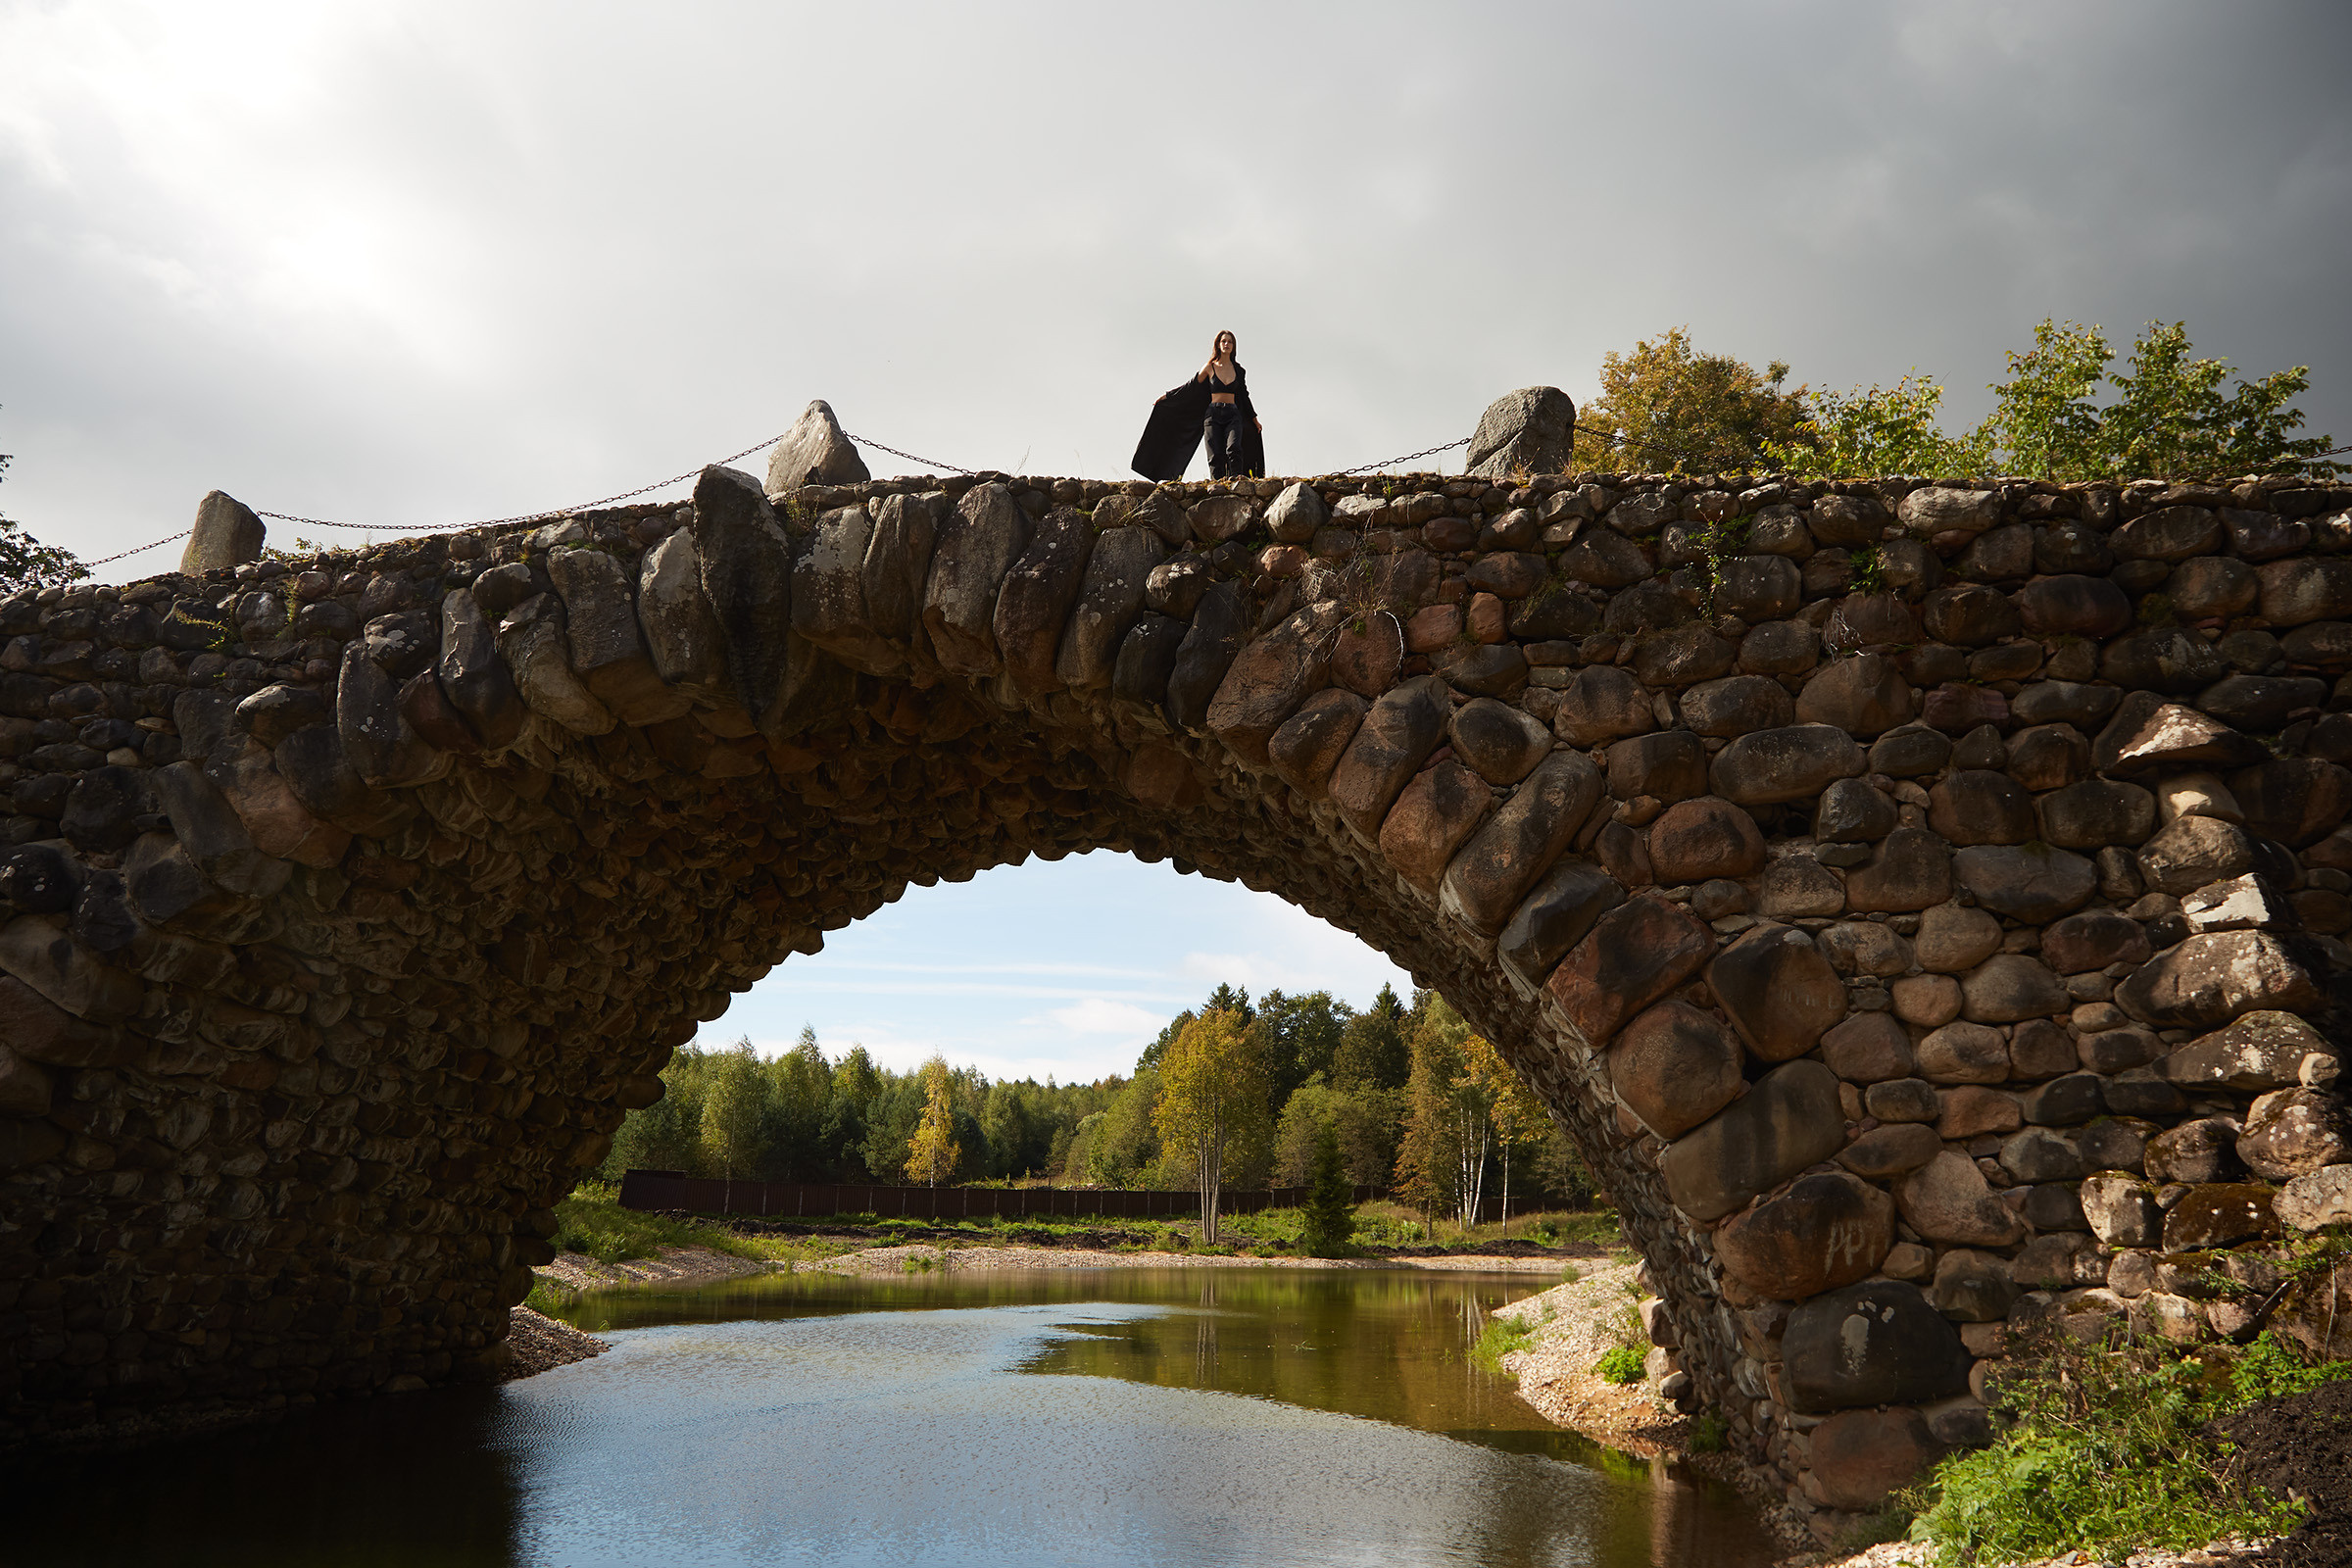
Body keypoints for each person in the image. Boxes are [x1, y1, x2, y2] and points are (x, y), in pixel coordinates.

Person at [1130, 330, 1266, 482]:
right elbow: (1190, 386)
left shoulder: (1239, 371)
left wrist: (1254, 419)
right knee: (1214, 453)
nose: (1227, 344)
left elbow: (1244, 396)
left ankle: (1236, 481)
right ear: (1218, 345)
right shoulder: (1209, 368)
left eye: (1230, 342)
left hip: (1233, 414)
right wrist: (1168, 396)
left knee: (1233, 447)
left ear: (1234, 346)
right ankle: (1217, 484)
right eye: (1224, 341)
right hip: (1213, 415)